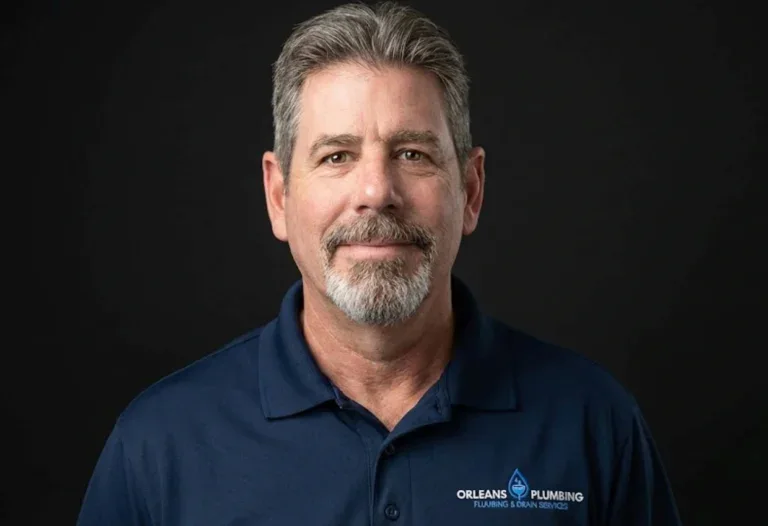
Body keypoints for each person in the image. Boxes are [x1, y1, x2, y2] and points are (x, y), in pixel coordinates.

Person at [77, 2, 682, 524]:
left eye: (412, 153)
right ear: (279, 196)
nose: (376, 191)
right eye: (337, 156)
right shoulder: (160, 443)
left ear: (471, 190)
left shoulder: (593, 424)